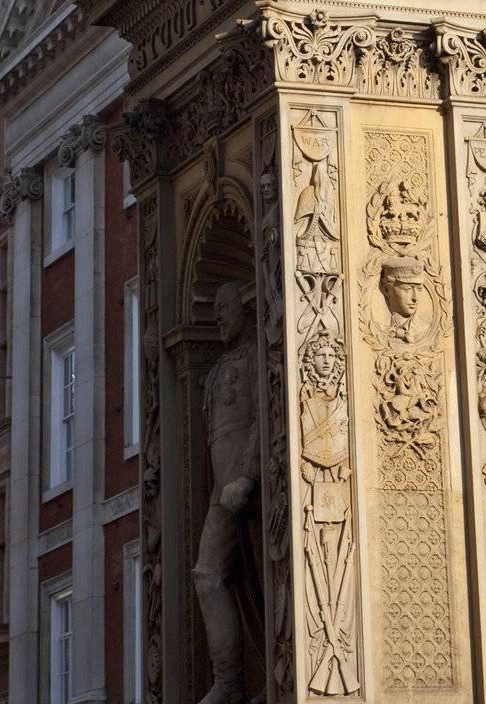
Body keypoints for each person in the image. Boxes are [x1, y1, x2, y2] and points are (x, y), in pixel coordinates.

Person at [193, 281, 259, 704]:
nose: (217, 316)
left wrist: (249, 475)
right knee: (206, 574)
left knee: (259, 577)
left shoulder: (255, 354)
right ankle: (228, 680)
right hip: (222, 490)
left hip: (247, 487)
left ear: (244, 307)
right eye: (213, 307)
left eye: (223, 306)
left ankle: (259, 670)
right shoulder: (217, 369)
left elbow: (265, 413)